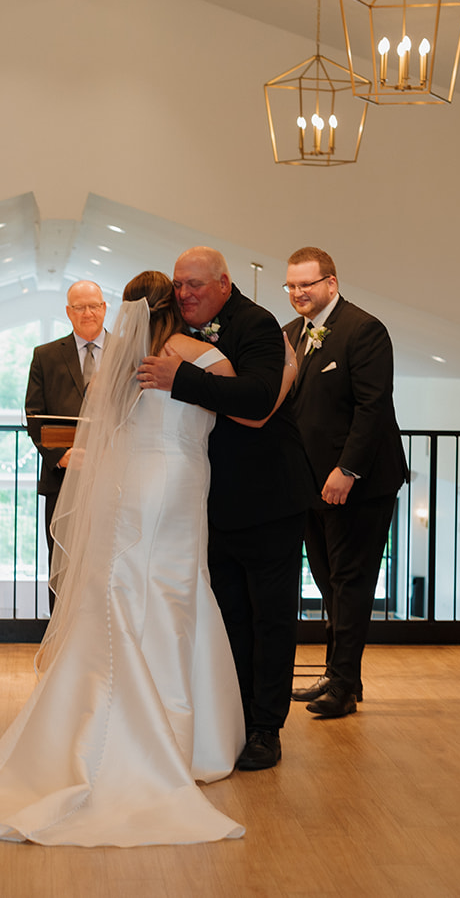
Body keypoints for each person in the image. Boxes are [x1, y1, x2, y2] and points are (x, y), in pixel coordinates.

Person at [0, 270, 292, 845]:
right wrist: (290, 369)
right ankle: (176, 741)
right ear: (174, 305)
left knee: (130, 591)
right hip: (176, 485)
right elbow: (254, 409)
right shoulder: (199, 353)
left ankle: (113, 723)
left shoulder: (116, 363)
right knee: (174, 593)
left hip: (132, 486)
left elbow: (102, 433)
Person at [137, 247, 313, 772]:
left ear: (224, 283)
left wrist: (181, 380)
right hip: (208, 501)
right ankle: (233, 721)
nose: (185, 294)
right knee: (229, 614)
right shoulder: (176, 332)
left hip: (269, 498)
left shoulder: (256, 324)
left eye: (195, 284)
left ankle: (266, 727)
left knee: (271, 617)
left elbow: (257, 402)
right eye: (179, 286)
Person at [280, 247, 406, 720]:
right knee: (328, 582)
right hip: (308, 484)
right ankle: (340, 675)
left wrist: (347, 470)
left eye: (307, 284)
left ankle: (343, 685)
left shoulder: (365, 329)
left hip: (360, 484)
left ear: (331, 283)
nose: (298, 293)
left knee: (352, 583)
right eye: (291, 285)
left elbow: (373, 407)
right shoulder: (290, 334)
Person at [23, 280, 108, 597]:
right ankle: (60, 644)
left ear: (104, 308)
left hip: (112, 477)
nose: (88, 313)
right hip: (61, 478)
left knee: (106, 563)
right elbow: (34, 414)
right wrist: (60, 454)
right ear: (68, 313)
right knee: (62, 562)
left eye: (94, 305)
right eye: (80, 307)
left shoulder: (125, 352)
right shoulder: (46, 356)